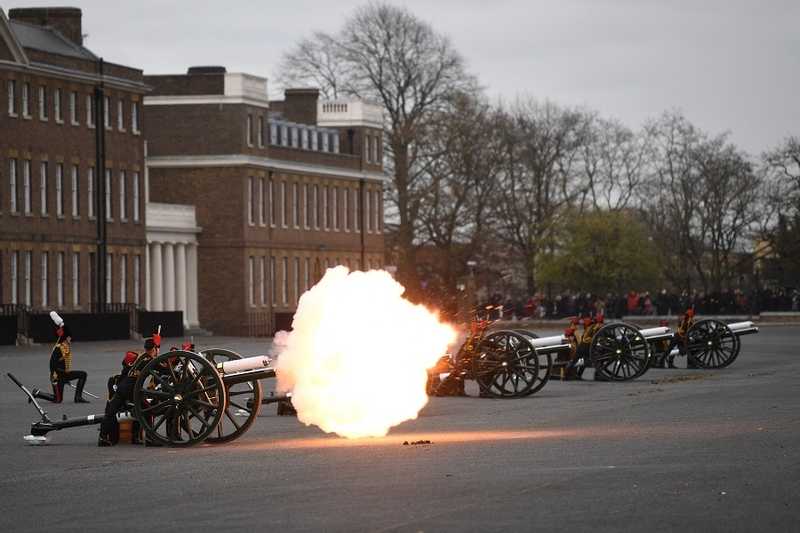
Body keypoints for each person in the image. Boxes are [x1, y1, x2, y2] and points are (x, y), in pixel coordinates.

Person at [98, 334, 160, 446]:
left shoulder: (141, 357)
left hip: (123, 387)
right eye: (156, 349)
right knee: (148, 410)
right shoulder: (149, 360)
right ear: (154, 349)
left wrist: (156, 351)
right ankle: (150, 439)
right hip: (132, 390)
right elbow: (163, 369)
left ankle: (102, 438)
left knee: (110, 412)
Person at [32, 323, 89, 404]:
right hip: (57, 376)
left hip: (64, 374)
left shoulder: (66, 347)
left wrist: (66, 376)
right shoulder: (58, 348)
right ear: (65, 338)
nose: (70, 339)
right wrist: (60, 377)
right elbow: (52, 365)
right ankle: (37, 393)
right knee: (58, 400)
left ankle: (78, 397)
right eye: (69, 337)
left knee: (83, 374)